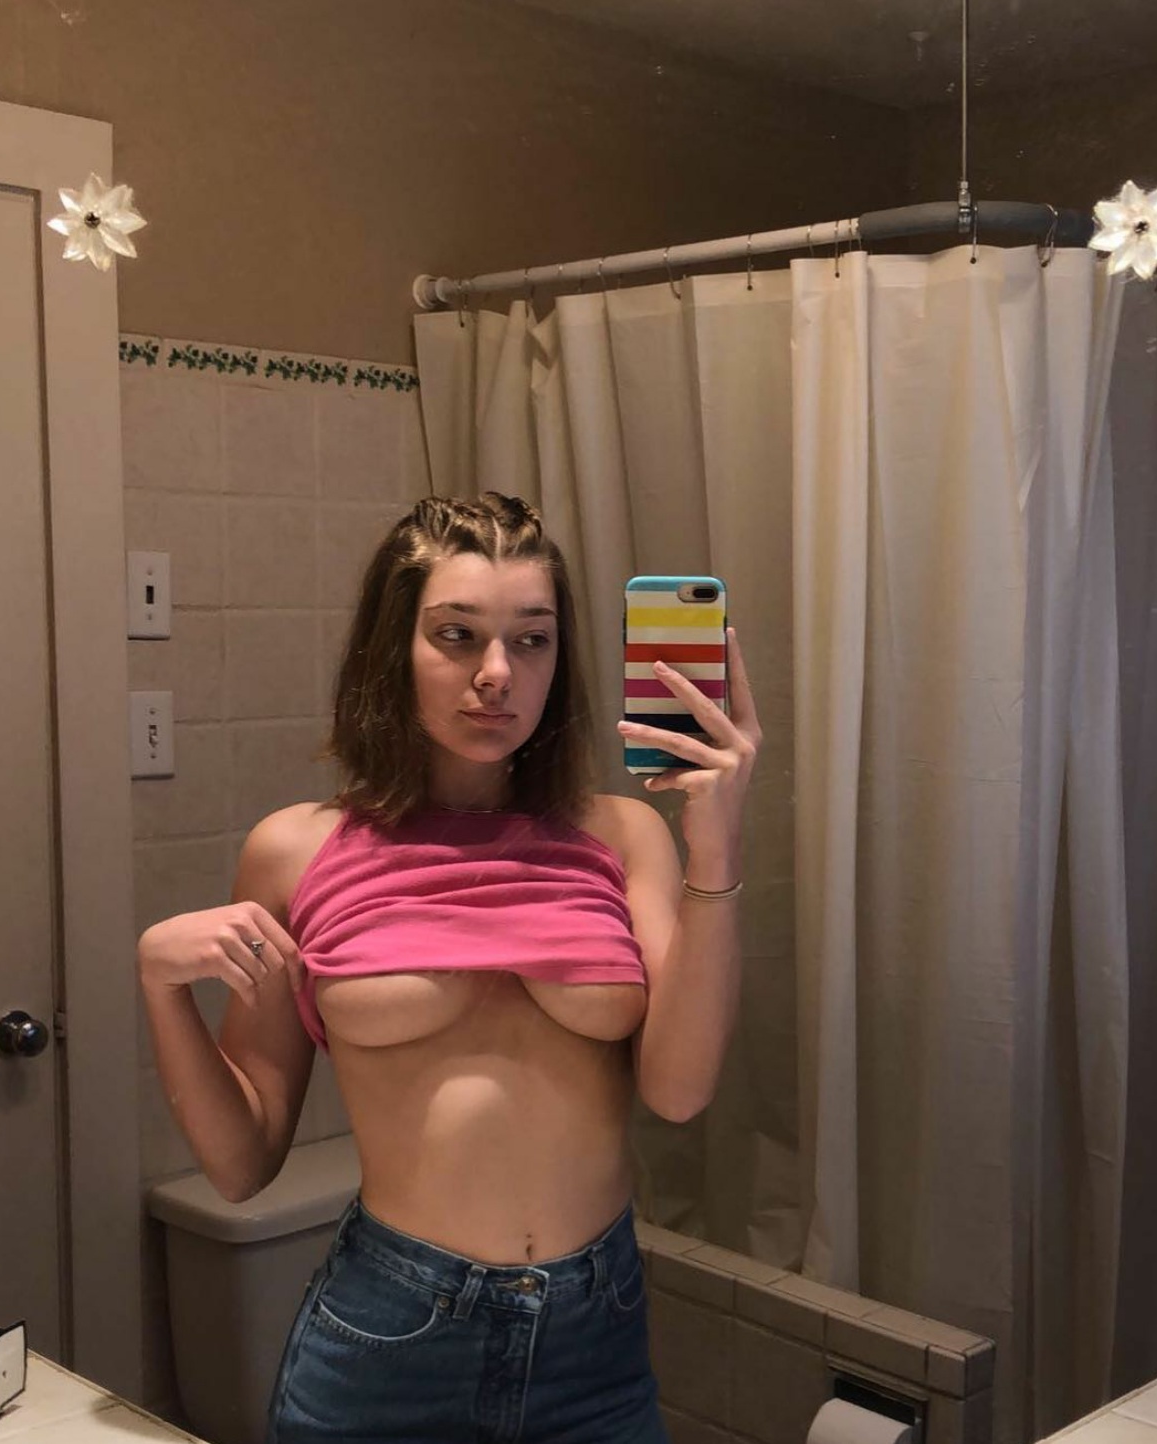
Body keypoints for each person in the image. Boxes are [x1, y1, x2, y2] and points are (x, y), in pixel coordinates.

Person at [137, 492, 761, 1444]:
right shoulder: (296, 852)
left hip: (594, 1342)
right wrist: (161, 984)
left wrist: (715, 847)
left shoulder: (621, 834)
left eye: (533, 640)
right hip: (390, 1343)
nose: (498, 673)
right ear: (394, 649)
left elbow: (679, 1092)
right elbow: (242, 1163)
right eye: (458, 635)